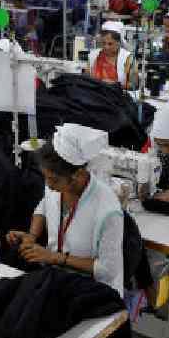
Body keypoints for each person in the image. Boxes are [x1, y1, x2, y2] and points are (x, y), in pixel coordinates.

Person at [7, 123, 125, 296]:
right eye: (45, 178)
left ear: (77, 175)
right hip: (58, 279)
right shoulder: (55, 186)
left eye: (53, 180)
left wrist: (55, 257)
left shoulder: (107, 210)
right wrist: (31, 236)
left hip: (96, 293)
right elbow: (44, 205)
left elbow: (108, 270)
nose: (48, 185)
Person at [87, 21, 136, 89]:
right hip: (96, 95)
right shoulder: (93, 56)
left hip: (118, 96)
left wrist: (115, 84)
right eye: (103, 43)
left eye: (110, 44)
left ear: (119, 43)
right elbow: (86, 79)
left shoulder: (127, 58)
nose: (106, 47)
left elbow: (134, 85)